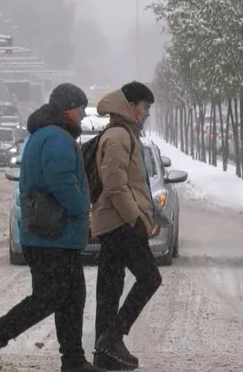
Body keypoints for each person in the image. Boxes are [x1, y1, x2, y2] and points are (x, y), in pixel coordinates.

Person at [0, 83, 103, 372]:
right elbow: (61, 182)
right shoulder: (57, 138)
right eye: (80, 107)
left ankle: (74, 360)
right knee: (50, 298)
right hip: (52, 235)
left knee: (71, 297)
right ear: (67, 108)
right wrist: (82, 207)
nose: (82, 114)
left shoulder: (46, 134)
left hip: (51, 235)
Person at [91, 81, 163, 370]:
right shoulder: (119, 136)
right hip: (121, 223)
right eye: (144, 107)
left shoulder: (123, 134)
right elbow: (116, 185)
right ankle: (112, 337)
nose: (146, 113)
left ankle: (104, 353)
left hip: (115, 222)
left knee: (110, 287)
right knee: (150, 278)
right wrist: (136, 219)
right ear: (131, 106)